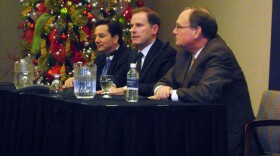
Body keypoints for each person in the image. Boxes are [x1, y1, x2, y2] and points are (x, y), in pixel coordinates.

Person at [149, 7, 257, 156]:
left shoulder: (218, 53)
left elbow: (206, 92)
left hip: (225, 135)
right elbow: (165, 80)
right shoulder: (184, 53)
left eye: (179, 27)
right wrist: (160, 88)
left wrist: (170, 94)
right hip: (199, 127)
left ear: (197, 31)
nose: (174, 31)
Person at [107, 7, 177, 96]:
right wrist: (112, 86)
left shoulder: (166, 53)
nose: (132, 30)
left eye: (139, 25)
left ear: (154, 29)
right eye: (131, 26)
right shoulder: (132, 53)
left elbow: (160, 86)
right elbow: (119, 77)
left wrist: (126, 89)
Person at [63, 18, 130, 90]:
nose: (96, 40)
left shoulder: (127, 56)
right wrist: (74, 79)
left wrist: (81, 81)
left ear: (115, 38)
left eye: (101, 36)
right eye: (95, 37)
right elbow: (90, 77)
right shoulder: (100, 58)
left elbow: (112, 82)